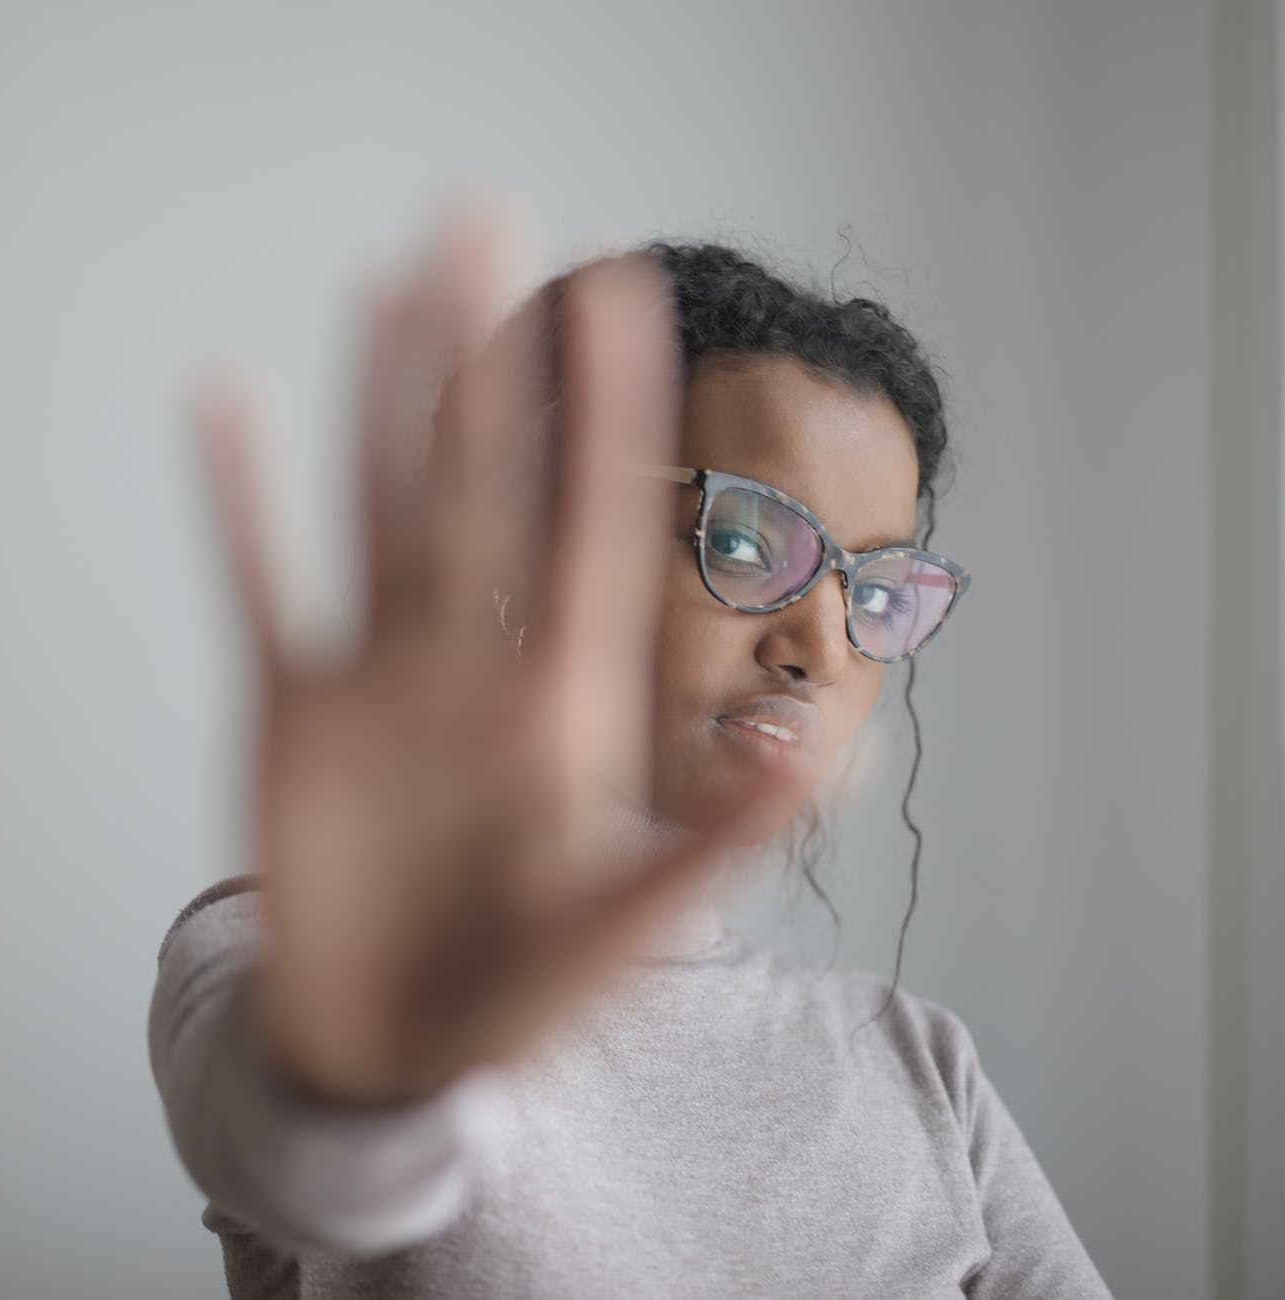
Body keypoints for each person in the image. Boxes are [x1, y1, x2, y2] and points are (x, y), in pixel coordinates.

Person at [147, 202, 1113, 1298]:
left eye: (875, 589)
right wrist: (370, 1094)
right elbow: (300, 1140)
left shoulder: (920, 1066)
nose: (820, 645)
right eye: (745, 540)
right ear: (535, 549)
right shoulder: (315, 954)